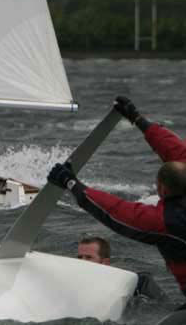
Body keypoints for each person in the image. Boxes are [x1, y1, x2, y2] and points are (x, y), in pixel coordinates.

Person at [47, 96, 186, 304]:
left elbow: (116, 212)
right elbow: (175, 149)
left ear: (161, 188)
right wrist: (138, 120)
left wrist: (71, 184)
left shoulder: (166, 221)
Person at [77, 236, 165, 300]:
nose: (82, 261)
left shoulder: (138, 284)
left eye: (89, 257)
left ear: (105, 262)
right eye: (80, 257)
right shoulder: (73, 282)